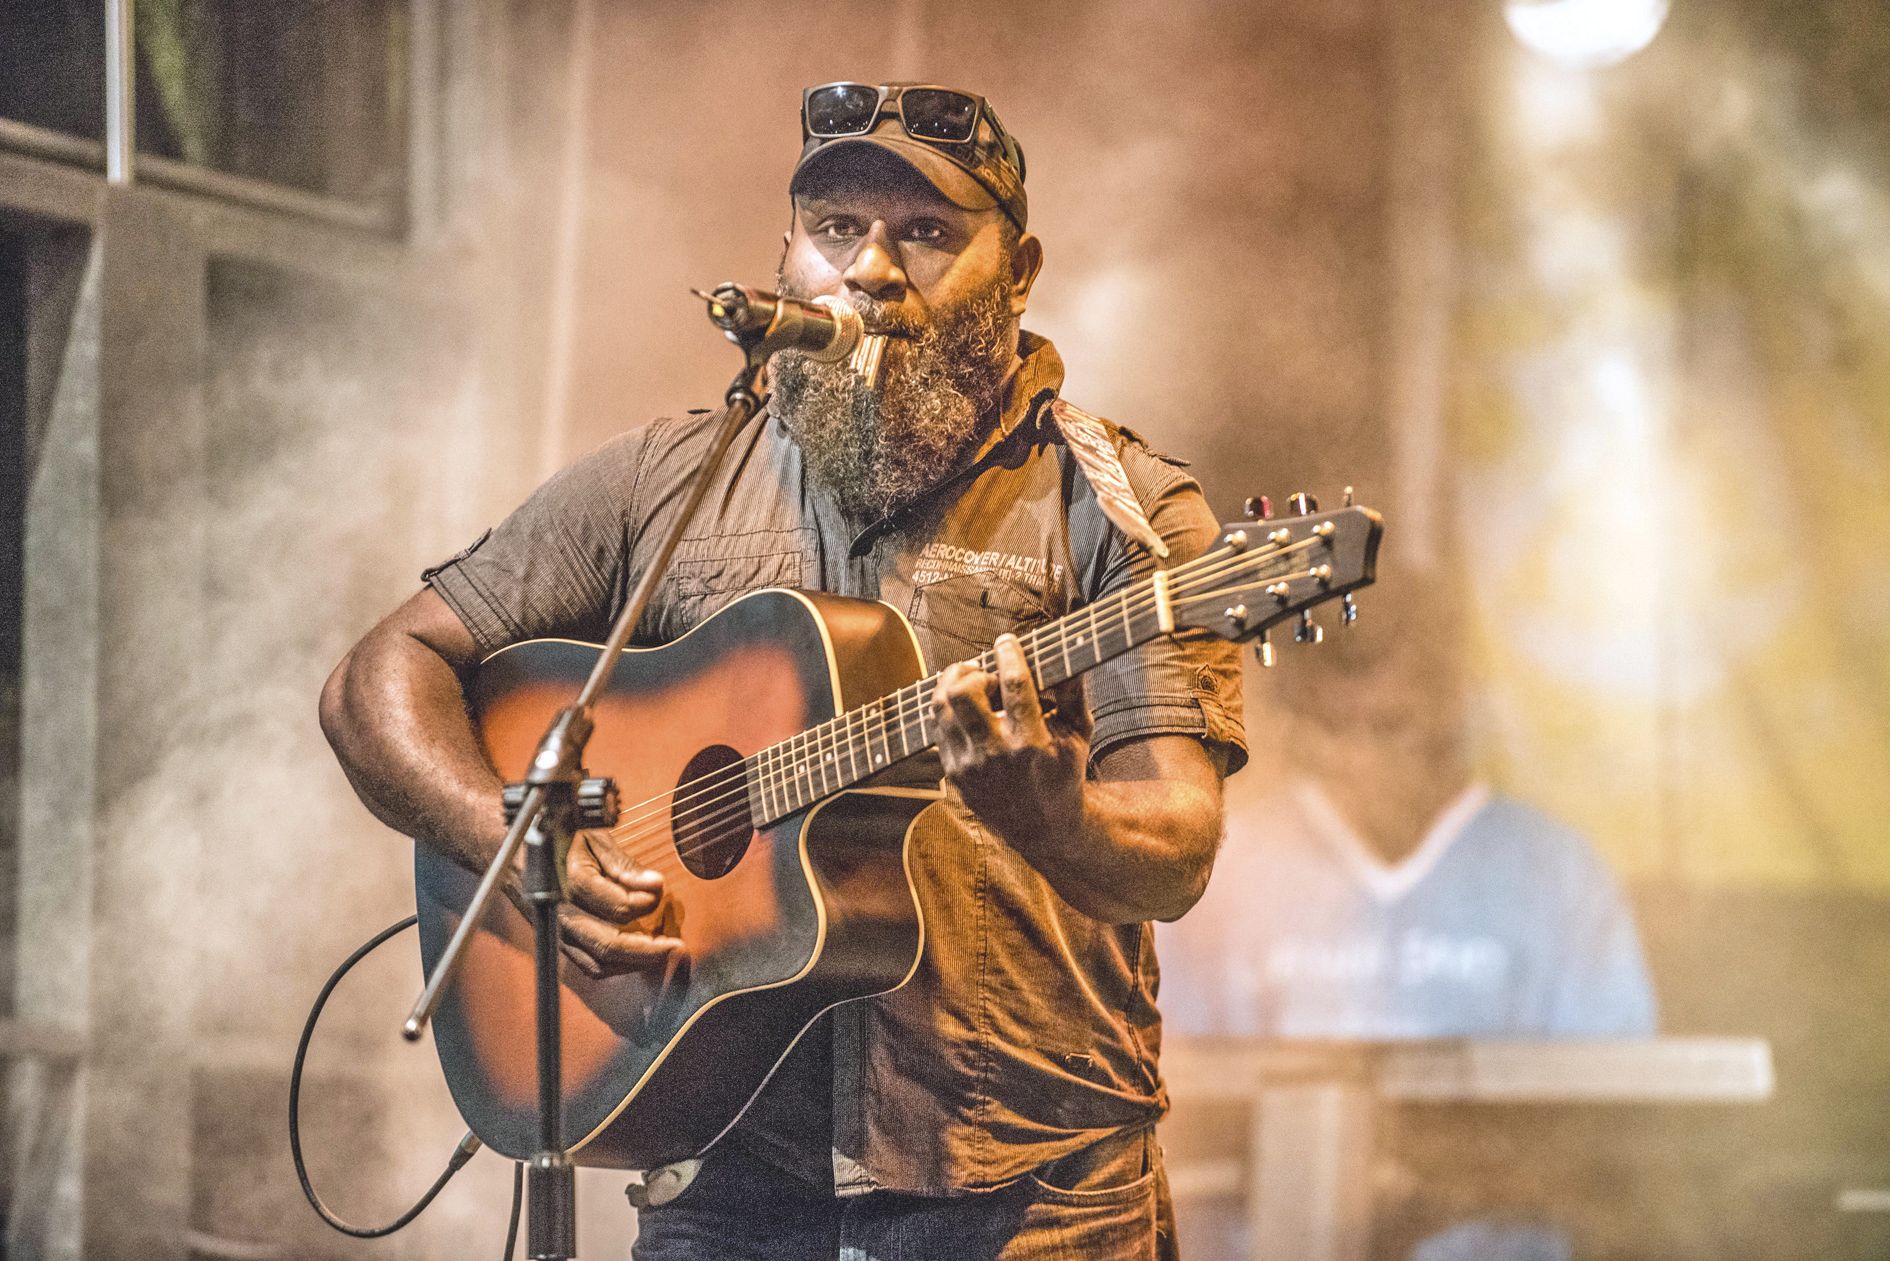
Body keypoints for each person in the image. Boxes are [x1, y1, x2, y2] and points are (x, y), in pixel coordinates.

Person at [319, 81, 1246, 1260]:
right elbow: (377, 676)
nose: (868, 270)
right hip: (723, 1172)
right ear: (784, 257)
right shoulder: (668, 477)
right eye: (837, 228)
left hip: (1029, 1190)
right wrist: (504, 833)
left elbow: (1177, 844)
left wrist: (1054, 812)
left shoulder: (1120, 507)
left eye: (925, 233)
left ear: (1020, 273)